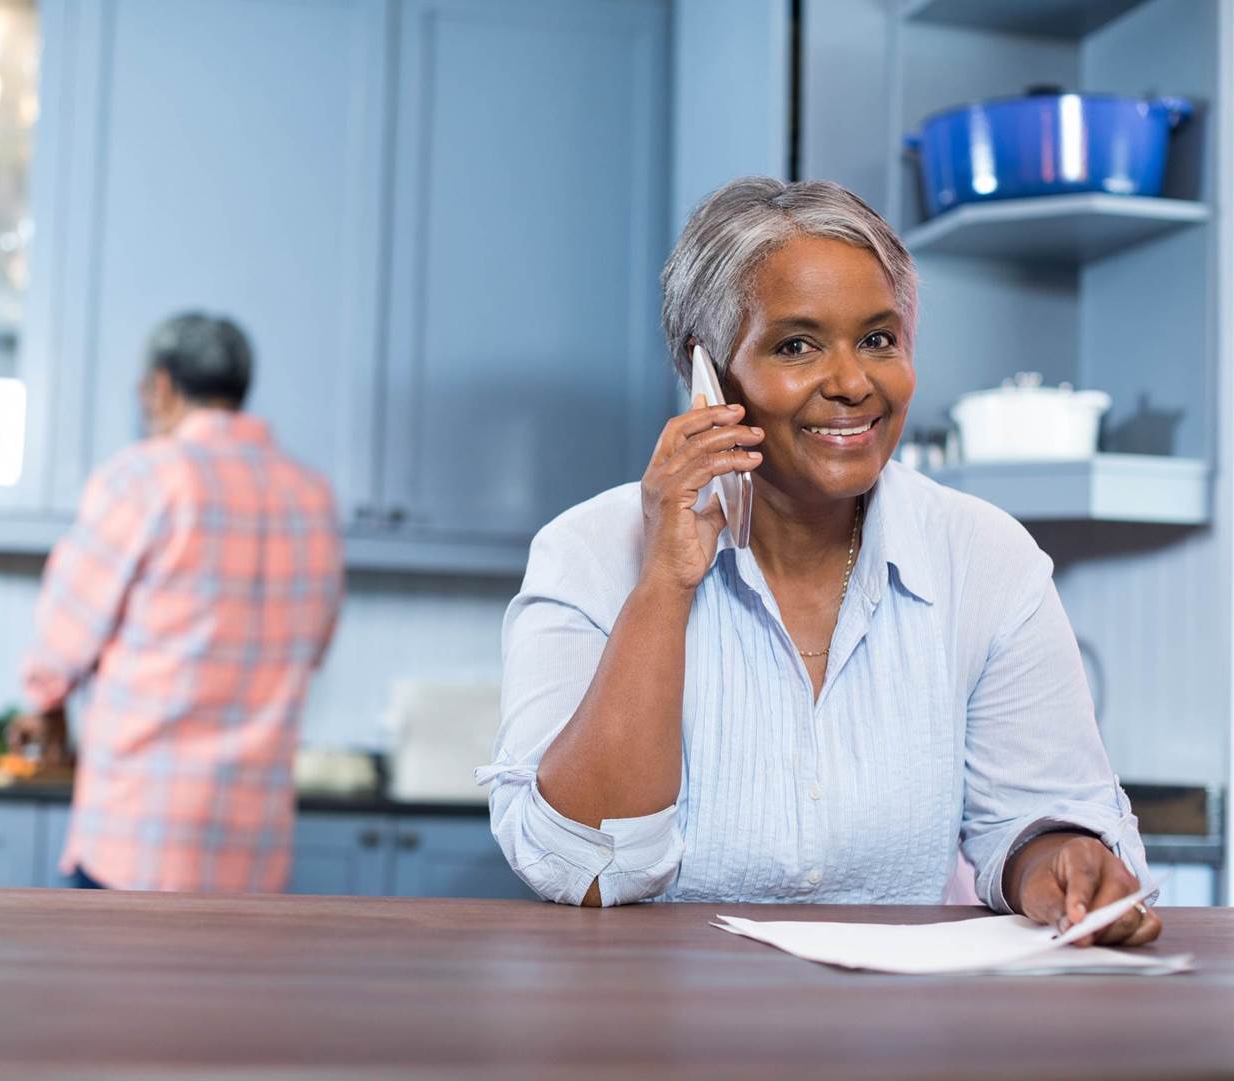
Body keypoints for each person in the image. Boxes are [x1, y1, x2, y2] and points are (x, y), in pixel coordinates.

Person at [481, 178, 1162, 947]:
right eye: (796, 345)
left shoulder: (987, 559)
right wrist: (666, 582)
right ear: (709, 375)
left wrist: (1065, 867)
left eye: (879, 338)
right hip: (653, 1037)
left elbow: (1028, 824)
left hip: (889, 1040)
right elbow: (584, 868)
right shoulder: (588, 552)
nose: (851, 382)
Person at [10, 313, 344, 892]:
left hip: (136, 839)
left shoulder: (143, 477)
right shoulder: (312, 497)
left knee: (110, 986)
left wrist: (44, 700)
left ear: (161, 387)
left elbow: (66, 632)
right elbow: (314, 646)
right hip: (252, 850)